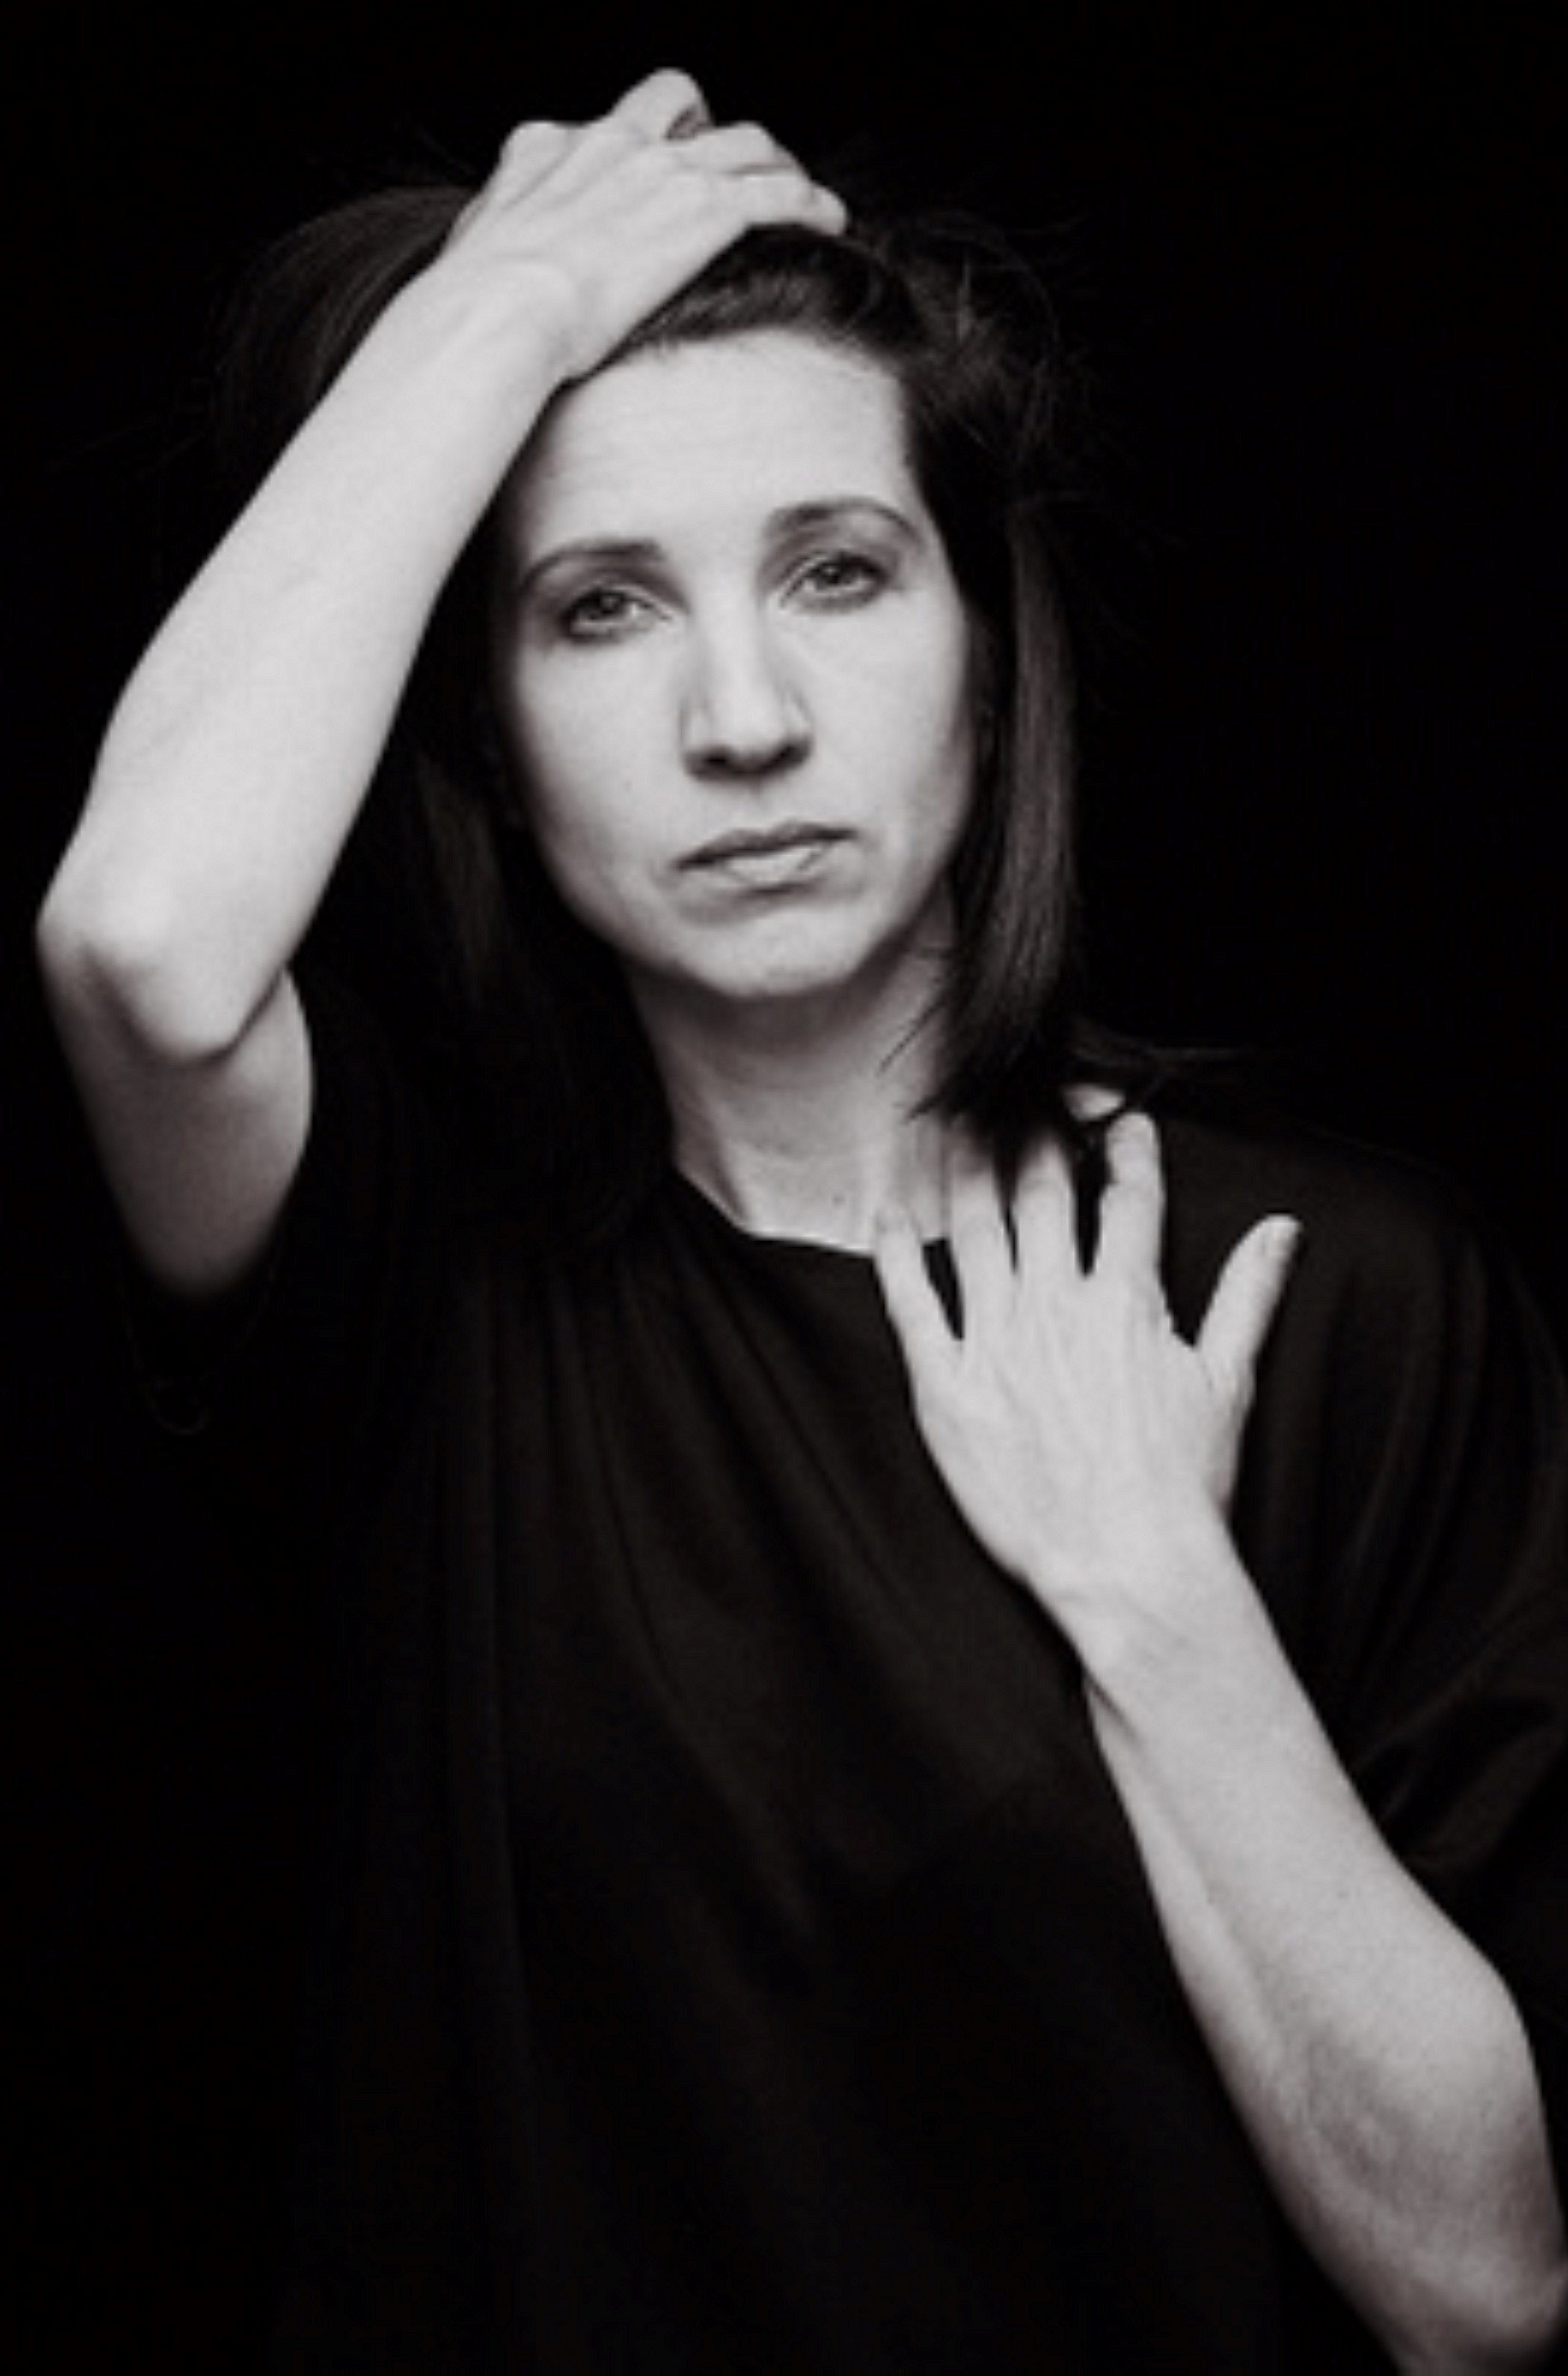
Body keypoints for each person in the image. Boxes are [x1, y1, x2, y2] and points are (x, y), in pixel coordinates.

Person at [35, 64, 1568, 2372]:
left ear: (987, 647)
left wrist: (1148, 1588)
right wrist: (503, 301)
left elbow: (1484, 2288)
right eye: (599, 609)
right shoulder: (420, 1293)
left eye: (837, 570)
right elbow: (146, 941)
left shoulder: (1337, 1298)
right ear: (485, 737)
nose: (741, 718)